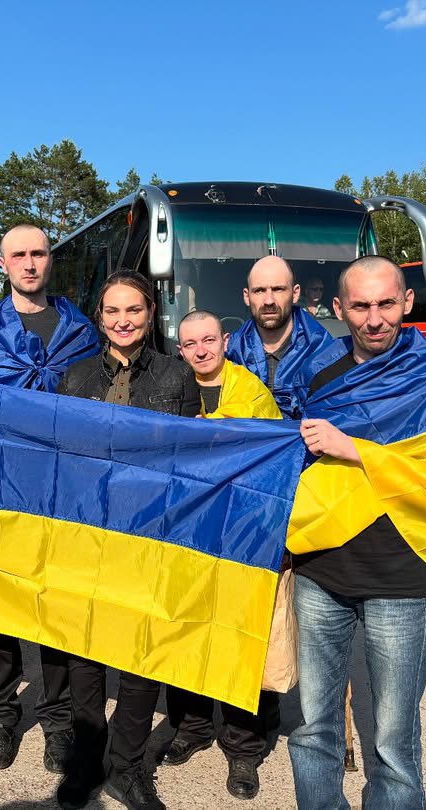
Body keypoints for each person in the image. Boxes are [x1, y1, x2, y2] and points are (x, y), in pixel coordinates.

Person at [286, 256, 426, 810]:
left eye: (386, 304)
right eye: (361, 306)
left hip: (398, 574)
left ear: (407, 302)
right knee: (312, 730)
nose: (375, 319)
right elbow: (294, 463)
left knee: (394, 742)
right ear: (339, 308)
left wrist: (355, 449)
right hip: (319, 571)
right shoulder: (318, 378)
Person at [0, 224, 99, 773]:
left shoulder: (83, 332)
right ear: (4, 263)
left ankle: (58, 721)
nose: (29, 263)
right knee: (1, 608)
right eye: (19, 255)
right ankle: (0, 717)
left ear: (50, 260)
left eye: (38, 253)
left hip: (64, 492)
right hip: (2, 490)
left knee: (57, 609)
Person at [55, 270, 199, 810]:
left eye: (134, 310)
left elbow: (193, 456)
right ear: (99, 317)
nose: (123, 321)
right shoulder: (74, 378)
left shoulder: (177, 376)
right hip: (88, 531)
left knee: (143, 653)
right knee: (84, 650)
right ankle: (87, 758)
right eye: (113, 311)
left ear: (150, 313)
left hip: (151, 533)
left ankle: (128, 765)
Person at [166, 309, 281, 800]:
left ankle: (244, 746)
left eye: (209, 340)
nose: (201, 350)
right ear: (180, 350)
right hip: (187, 531)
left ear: (226, 341)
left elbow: (275, 461)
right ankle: (192, 727)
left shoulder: (253, 393)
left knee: (241, 638)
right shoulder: (171, 390)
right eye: (191, 343)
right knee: (185, 630)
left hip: (241, 532)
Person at [227, 256, 344, 417]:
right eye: (259, 290)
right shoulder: (229, 353)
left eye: (278, 289)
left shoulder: (325, 353)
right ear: (247, 297)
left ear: (295, 293)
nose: (269, 301)